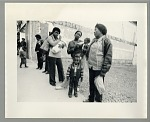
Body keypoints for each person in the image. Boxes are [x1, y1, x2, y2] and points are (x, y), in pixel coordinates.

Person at [83, 23, 112, 102]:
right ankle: (91, 99)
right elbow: (89, 51)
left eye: (96, 30)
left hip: (99, 69)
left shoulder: (106, 41)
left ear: (101, 31)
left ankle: (98, 102)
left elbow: (108, 57)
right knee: (91, 84)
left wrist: (103, 72)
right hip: (91, 67)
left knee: (98, 86)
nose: (94, 31)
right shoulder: (94, 40)